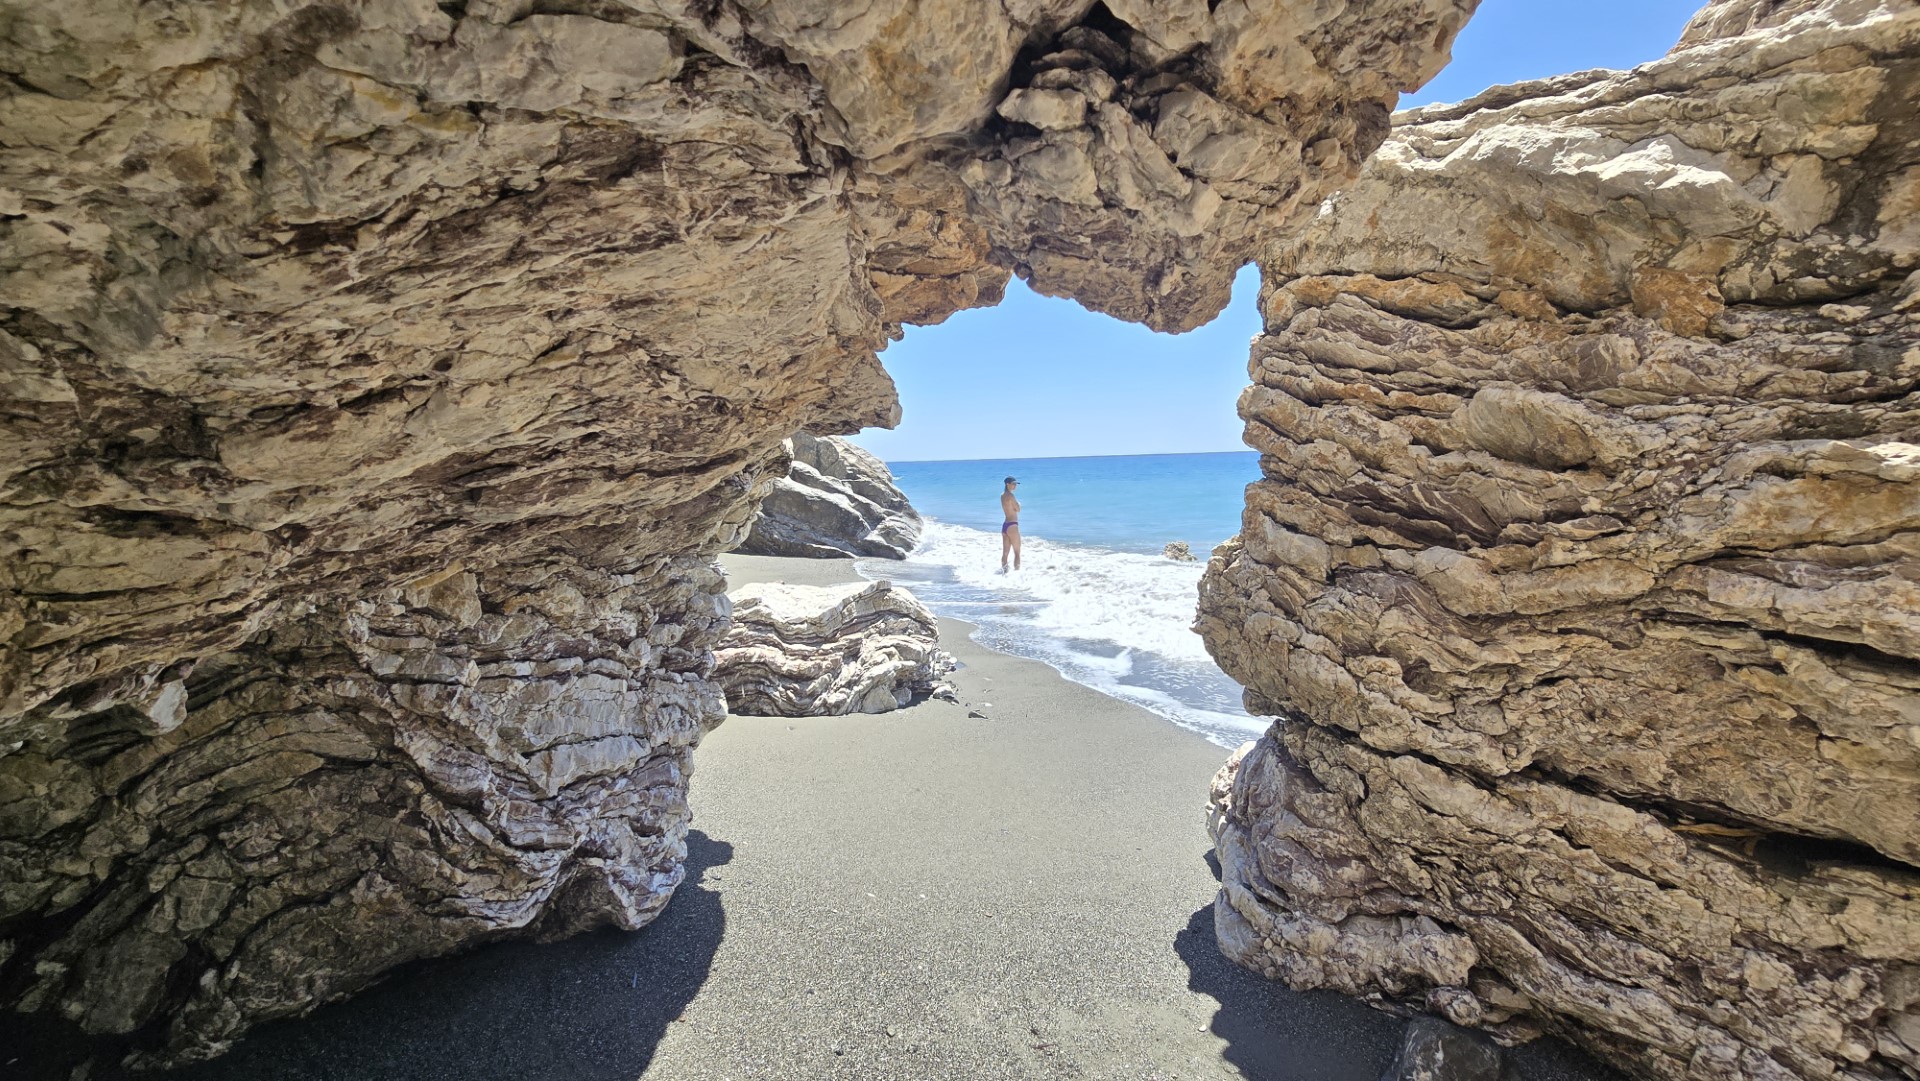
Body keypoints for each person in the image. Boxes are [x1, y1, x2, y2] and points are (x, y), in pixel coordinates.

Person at [999, 475, 1021, 573]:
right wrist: (1019, 504)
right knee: (1017, 552)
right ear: (1007, 484)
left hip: (1005, 525)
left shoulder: (1002, 495)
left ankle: (1005, 574)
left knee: (1005, 553)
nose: (1015, 486)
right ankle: (1016, 575)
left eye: (1016, 484)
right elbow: (1018, 509)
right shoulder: (1011, 496)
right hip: (1012, 525)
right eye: (1013, 484)